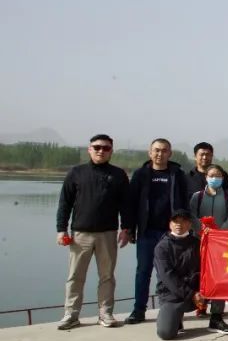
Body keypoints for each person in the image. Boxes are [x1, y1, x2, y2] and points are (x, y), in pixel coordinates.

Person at [55, 134, 132, 330]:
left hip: (108, 233)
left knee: (107, 276)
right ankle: (71, 314)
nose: (101, 151)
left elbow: (126, 205)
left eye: (106, 148)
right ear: (89, 149)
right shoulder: (76, 173)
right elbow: (65, 203)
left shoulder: (118, 175)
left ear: (111, 151)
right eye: (97, 147)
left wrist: (126, 229)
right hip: (80, 234)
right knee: (75, 276)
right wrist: (61, 229)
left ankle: (105, 313)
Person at [126, 138, 189, 325]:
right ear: (150, 152)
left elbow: (184, 202)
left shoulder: (177, 174)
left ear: (170, 153)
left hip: (170, 234)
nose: (160, 154)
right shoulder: (141, 174)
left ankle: (172, 312)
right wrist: (129, 228)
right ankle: (139, 310)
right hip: (147, 232)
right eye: (156, 150)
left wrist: (184, 226)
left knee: (171, 274)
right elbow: (131, 203)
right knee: (143, 272)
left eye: (164, 150)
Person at [154, 209, 228, 339]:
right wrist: (192, 294)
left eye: (183, 221)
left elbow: (210, 267)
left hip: (198, 294)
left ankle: (216, 319)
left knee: (218, 277)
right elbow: (168, 277)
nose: (179, 224)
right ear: (170, 224)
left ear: (190, 224)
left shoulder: (197, 243)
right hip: (173, 296)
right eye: (175, 221)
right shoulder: (162, 247)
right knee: (166, 333)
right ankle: (176, 318)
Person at [188, 163, 228, 317]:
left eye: (218, 176)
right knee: (200, 273)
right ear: (206, 177)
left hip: (221, 242)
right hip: (200, 240)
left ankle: (217, 311)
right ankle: (201, 305)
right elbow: (192, 216)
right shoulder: (197, 196)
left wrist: (220, 232)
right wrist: (202, 230)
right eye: (212, 175)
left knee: (219, 275)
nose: (215, 178)